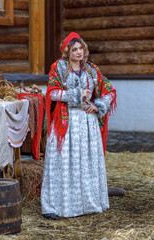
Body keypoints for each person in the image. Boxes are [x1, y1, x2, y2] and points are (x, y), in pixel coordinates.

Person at [41, 32, 117, 220]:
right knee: (63, 163)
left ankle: (87, 204)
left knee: (86, 163)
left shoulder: (92, 70)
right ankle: (57, 206)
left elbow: (110, 91)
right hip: (65, 124)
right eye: (74, 49)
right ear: (67, 52)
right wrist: (76, 95)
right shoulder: (58, 68)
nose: (78, 52)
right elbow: (52, 94)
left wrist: (98, 105)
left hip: (87, 125)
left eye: (80, 48)